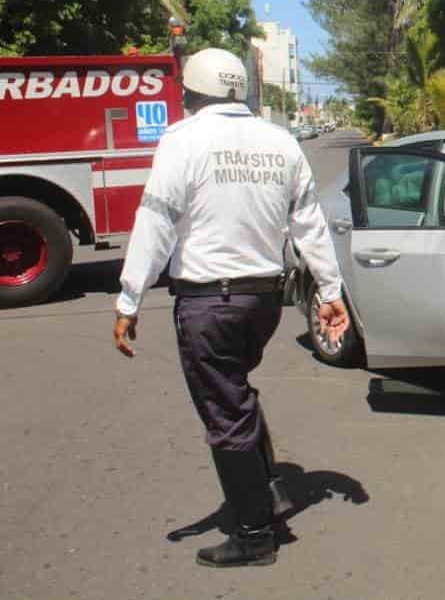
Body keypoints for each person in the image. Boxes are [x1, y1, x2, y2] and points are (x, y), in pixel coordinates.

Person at [112, 47, 349, 568]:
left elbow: (155, 222)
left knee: (226, 413)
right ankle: (269, 488)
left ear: (190, 94)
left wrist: (130, 298)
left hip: (209, 303)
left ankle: (254, 533)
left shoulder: (182, 141)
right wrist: (330, 292)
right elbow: (308, 222)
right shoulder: (280, 141)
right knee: (237, 393)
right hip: (263, 302)